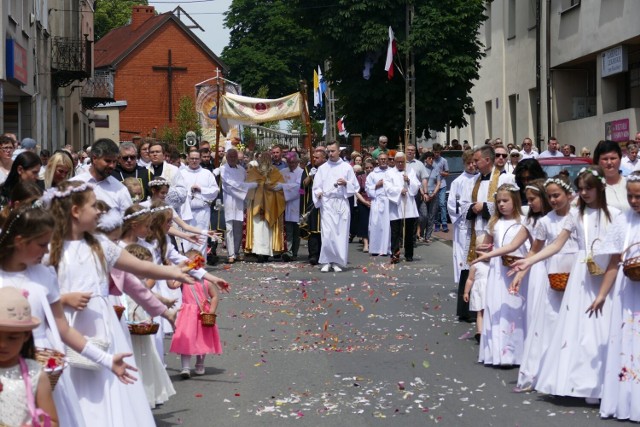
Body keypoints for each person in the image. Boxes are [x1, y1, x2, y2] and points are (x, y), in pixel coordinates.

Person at [46, 182, 194, 426]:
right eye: (93, 206)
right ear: (75, 211)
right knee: (71, 391)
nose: (99, 212)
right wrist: (64, 298)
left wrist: (174, 272)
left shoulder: (100, 245)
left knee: (106, 392)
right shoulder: (51, 249)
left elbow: (140, 268)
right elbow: (37, 292)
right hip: (65, 328)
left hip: (103, 329)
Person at [512, 168, 617, 402]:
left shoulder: (615, 215)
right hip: (582, 273)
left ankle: (603, 384)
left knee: (603, 328)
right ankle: (581, 384)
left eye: (588, 188)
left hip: (606, 272)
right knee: (579, 328)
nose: (584, 193)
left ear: (600, 187)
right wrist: (529, 260)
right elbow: (555, 245)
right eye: (580, 189)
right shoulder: (576, 215)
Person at [592, 171, 640, 421]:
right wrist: (602, 294)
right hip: (627, 288)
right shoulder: (622, 221)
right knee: (628, 342)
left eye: (638, 196)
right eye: (630, 196)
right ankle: (627, 400)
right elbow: (613, 262)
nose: (633, 201)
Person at [118, 243, 176, 409]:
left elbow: (147, 293)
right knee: (133, 356)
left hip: (141, 322)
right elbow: (143, 293)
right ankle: (134, 394)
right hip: (129, 320)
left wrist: (164, 300)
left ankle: (147, 394)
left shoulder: (139, 280)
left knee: (144, 357)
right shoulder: (124, 279)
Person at [477, 184, 528, 366]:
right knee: (499, 307)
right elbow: (488, 244)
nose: (501, 205)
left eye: (505, 201)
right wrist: (482, 248)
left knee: (516, 308)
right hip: (499, 269)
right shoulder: (495, 223)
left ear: (515, 200)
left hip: (518, 269)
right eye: (498, 201)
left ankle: (518, 352)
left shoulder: (524, 220)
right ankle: (499, 352)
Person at [0, 287, 59, 427]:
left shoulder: (36, 374)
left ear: (26, 336)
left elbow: (53, 422)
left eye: (12, 338)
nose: (2, 344)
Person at [169, 249, 224, 379]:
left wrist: (211, 312)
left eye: (199, 263)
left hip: (202, 313)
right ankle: (185, 367)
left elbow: (215, 296)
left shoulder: (206, 281)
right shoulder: (185, 279)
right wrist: (171, 273)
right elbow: (173, 285)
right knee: (185, 338)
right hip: (187, 313)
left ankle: (200, 362)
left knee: (202, 339)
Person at [312, 141, 359, 272]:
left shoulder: (346, 167)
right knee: (327, 233)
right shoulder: (322, 168)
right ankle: (327, 261)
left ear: (339, 151)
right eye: (328, 151)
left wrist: (346, 183)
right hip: (327, 203)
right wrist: (318, 193)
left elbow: (355, 186)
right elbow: (316, 187)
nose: (330, 154)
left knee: (340, 233)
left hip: (341, 203)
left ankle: (337, 261)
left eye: (333, 151)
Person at [446, 150, 478, 319]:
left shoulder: (481, 179)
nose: (472, 165)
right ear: (465, 164)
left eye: (475, 162)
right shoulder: (458, 182)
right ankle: (463, 292)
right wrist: (466, 212)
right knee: (464, 259)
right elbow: (453, 204)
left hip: (478, 224)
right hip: (464, 225)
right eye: (469, 163)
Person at [71, 139, 132, 215]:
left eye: (114, 161)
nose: (112, 166)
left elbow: (128, 222)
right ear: (94, 158)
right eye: (108, 161)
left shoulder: (120, 190)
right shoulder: (73, 185)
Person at [245, 152, 286, 262]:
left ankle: (267, 251)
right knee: (258, 229)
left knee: (268, 229)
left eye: (267, 158)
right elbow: (247, 186)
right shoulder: (254, 171)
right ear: (258, 160)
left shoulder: (275, 171)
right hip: (257, 205)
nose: (264, 160)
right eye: (262, 158)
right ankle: (259, 252)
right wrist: (258, 184)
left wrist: (275, 186)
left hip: (270, 204)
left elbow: (281, 186)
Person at [179, 149, 218, 256]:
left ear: (200, 159)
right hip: (186, 210)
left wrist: (201, 189)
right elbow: (177, 191)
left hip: (202, 211)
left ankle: (200, 265)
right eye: (192, 158)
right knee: (187, 238)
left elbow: (215, 190)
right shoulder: (181, 173)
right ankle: (188, 264)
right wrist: (189, 192)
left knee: (201, 238)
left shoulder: (207, 173)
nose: (194, 161)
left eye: (196, 158)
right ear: (187, 159)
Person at [219, 149, 253, 263]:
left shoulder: (242, 170)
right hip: (228, 200)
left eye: (234, 156)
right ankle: (230, 253)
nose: (233, 158)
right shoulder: (223, 169)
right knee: (229, 228)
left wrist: (247, 188)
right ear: (227, 157)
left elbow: (244, 184)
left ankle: (237, 251)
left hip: (239, 202)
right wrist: (245, 188)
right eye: (231, 156)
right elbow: (230, 185)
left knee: (238, 228)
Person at [388, 152, 420, 263]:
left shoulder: (410, 172)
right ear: (395, 162)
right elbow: (388, 188)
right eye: (398, 162)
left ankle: (409, 254)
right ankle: (395, 254)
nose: (401, 164)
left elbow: (416, 186)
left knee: (409, 232)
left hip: (408, 206)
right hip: (396, 206)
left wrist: (409, 181)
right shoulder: (389, 173)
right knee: (395, 232)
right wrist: (399, 190)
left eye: (402, 162)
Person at [366, 153, 393, 256]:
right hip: (377, 200)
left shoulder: (391, 172)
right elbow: (368, 188)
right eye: (381, 159)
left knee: (387, 226)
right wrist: (377, 185)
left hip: (388, 201)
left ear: (387, 160)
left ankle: (386, 248)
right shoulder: (373, 174)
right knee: (375, 224)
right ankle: (375, 248)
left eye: (385, 159)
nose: (383, 161)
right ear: (378, 160)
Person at [301, 149, 326, 265]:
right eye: (314, 157)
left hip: (325, 204)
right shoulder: (308, 169)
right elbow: (302, 187)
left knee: (324, 230)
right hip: (312, 204)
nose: (314, 159)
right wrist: (310, 176)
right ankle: (313, 255)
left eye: (317, 158)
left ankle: (324, 254)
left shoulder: (328, 169)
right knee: (313, 230)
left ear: (323, 158)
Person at [147, 141, 187, 211]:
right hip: (150, 210)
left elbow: (182, 193)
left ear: (163, 155)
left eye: (157, 152)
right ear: (149, 155)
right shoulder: (145, 170)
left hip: (170, 210)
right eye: (152, 152)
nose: (155, 154)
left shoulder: (174, 170)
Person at [463, 240, 490, 344]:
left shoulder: (494, 264)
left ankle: (489, 331)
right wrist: (466, 292)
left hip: (490, 289)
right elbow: (470, 279)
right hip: (480, 290)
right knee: (480, 312)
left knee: (489, 311)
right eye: (483, 251)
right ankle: (480, 332)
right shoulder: (476, 265)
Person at [281, 152, 304, 261]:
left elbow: (301, 189)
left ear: (298, 162)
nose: (291, 165)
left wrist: (284, 188)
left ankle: (294, 252)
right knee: (288, 230)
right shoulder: (283, 172)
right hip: (285, 204)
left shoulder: (302, 173)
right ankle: (288, 251)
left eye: (293, 162)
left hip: (297, 203)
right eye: (289, 163)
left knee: (297, 231)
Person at [594, 140, 629, 211]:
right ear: (597, 161)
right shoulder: (593, 188)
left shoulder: (631, 183)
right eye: (605, 159)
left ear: (620, 159)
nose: (609, 162)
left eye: (613, 158)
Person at [421, 151, 442, 243]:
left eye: (433, 158)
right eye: (430, 158)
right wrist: (423, 193)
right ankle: (421, 233)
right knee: (423, 216)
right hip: (424, 195)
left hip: (433, 194)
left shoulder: (436, 169)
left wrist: (434, 193)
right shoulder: (422, 168)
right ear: (426, 159)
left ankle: (427, 236)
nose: (431, 160)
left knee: (431, 216)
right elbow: (418, 183)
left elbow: (438, 183)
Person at [354, 159, 373, 253]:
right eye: (367, 168)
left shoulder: (376, 176)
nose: (369, 169)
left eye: (371, 167)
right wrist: (364, 202)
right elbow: (357, 191)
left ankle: (374, 242)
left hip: (375, 202)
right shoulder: (360, 176)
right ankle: (366, 243)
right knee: (364, 223)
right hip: (363, 201)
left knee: (374, 223)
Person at [432, 143, 450, 233]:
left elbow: (447, 173)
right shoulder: (430, 160)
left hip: (442, 185)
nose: (437, 154)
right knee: (436, 205)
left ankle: (444, 223)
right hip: (433, 186)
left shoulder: (443, 161)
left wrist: (442, 173)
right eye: (435, 152)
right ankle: (436, 223)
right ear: (433, 152)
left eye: (438, 152)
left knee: (442, 204)